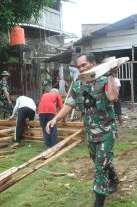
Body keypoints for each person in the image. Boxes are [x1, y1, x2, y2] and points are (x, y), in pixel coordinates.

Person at [46, 53, 119, 207]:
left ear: (93, 63)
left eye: (83, 65)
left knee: (100, 167)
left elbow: (112, 97)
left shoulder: (106, 79)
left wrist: (111, 74)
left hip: (106, 132)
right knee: (99, 162)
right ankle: (114, 179)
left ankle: (98, 203)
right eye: (79, 66)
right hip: (90, 133)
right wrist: (55, 119)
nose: (81, 68)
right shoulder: (79, 84)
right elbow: (69, 104)